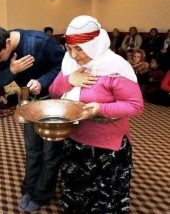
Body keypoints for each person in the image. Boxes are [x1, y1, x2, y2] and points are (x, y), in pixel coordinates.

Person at [49, 15, 144, 213]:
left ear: (93, 45)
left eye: (79, 48)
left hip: (107, 147)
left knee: (104, 199)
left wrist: (100, 109)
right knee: (76, 194)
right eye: (69, 48)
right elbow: (54, 92)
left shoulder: (115, 68)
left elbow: (135, 105)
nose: (73, 55)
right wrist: (69, 79)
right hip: (75, 139)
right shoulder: (71, 63)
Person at [0, 24, 65, 212]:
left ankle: (42, 194)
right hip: (28, 103)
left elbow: (65, 65)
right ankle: (29, 188)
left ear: (8, 43)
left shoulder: (40, 42)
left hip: (52, 103)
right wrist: (13, 69)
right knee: (32, 150)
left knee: (50, 154)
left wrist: (43, 81)